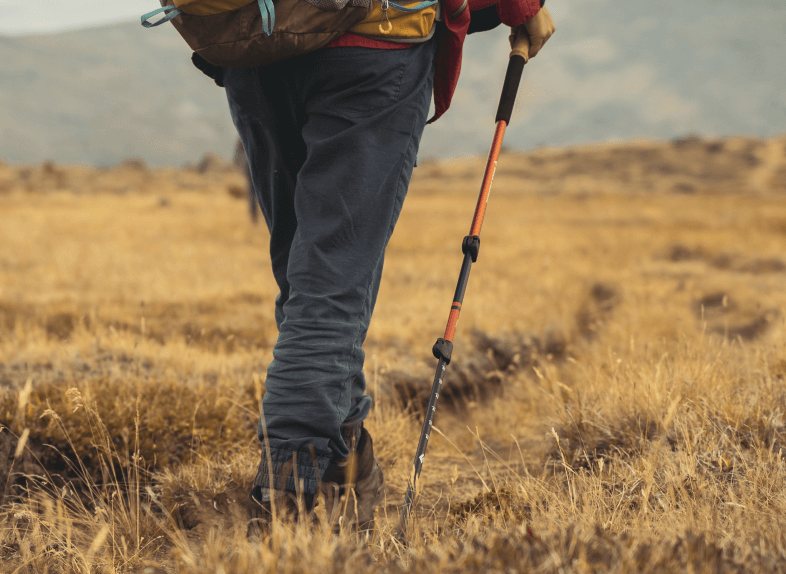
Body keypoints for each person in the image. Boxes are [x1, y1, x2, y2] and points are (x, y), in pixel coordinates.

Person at [225, 0, 556, 531]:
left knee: (309, 278)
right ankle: (286, 495)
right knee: (326, 287)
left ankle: (346, 461)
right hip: (371, 45)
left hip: (255, 46)